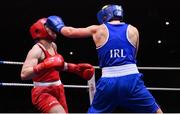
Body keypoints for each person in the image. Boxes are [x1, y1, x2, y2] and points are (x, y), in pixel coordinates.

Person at [45, 4, 163, 113]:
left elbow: (70, 32)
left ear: (105, 14)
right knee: (156, 112)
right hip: (132, 80)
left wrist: (58, 26)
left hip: (108, 81)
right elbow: (134, 56)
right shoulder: (133, 29)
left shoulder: (98, 29)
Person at [20, 18, 95, 113]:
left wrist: (75, 69)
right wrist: (44, 65)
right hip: (43, 92)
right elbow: (24, 74)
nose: (54, 28)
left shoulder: (53, 46)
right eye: (50, 26)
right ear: (40, 29)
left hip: (58, 89)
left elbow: (57, 64)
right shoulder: (36, 50)